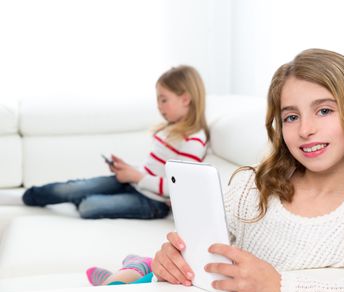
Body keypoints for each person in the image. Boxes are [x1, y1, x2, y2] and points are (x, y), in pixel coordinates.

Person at [91, 49, 344, 292]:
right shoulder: (252, 186)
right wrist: (174, 257)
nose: (305, 129)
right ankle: (140, 267)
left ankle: (134, 268)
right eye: (291, 117)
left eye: (323, 110)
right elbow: (202, 249)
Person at [21, 65, 209, 220]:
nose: (159, 106)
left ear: (185, 99)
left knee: (88, 206)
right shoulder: (169, 129)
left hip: (154, 201)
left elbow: (179, 188)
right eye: (158, 100)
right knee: (73, 187)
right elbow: (153, 168)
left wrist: (136, 176)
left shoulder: (194, 141)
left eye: (164, 100)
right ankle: (26, 197)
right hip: (135, 183)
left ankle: (77, 198)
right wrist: (129, 169)